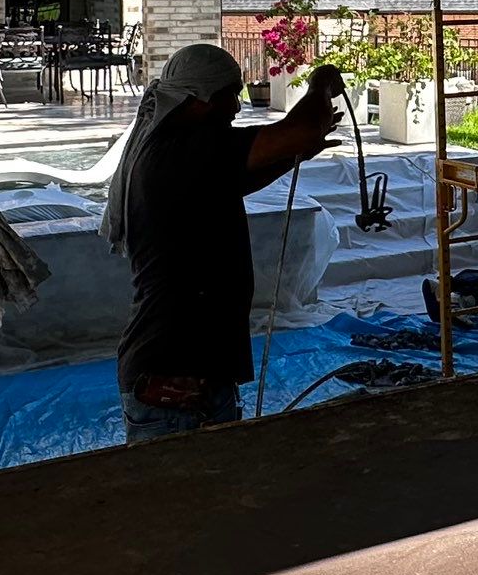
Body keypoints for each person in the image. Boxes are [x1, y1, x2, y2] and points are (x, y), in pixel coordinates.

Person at [101, 46, 349, 431]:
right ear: (198, 99)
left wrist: (294, 153)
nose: (236, 107)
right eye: (229, 95)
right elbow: (299, 129)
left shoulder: (180, 150)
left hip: (188, 377)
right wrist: (319, 85)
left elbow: (241, 177)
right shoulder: (183, 149)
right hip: (172, 381)